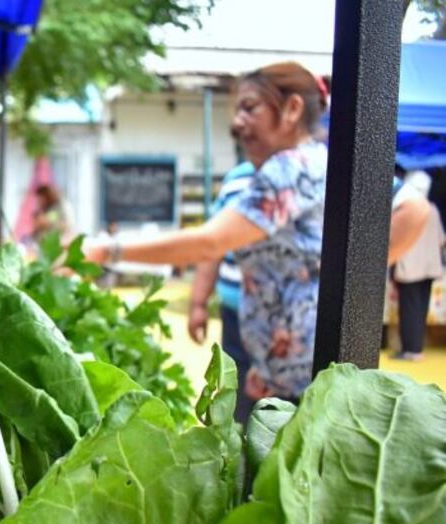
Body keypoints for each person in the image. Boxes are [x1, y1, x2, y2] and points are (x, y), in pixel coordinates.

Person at [86, 62, 427, 403]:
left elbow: (210, 242)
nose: (237, 124)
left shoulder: (289, 168)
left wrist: (107, 251)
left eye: (249, 108)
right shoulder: (314, 162)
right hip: (287, 373)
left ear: (292, 109)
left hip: (302, 380)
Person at [188, 160, 256, 421]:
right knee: (237, 397)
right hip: (235, 313)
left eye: (251, 114)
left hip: (287, 325)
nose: (240, 122)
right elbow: (211, 247)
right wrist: (198, 303)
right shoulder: (236, 180)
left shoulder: (310, 170)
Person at [390, 175, 445, 361]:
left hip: (411, 268)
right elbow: (441, 240)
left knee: (409, 309)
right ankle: (417, 347)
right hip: (430, 268)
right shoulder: (434, 210)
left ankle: (410, 350)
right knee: (421, 309)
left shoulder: (406, 208)